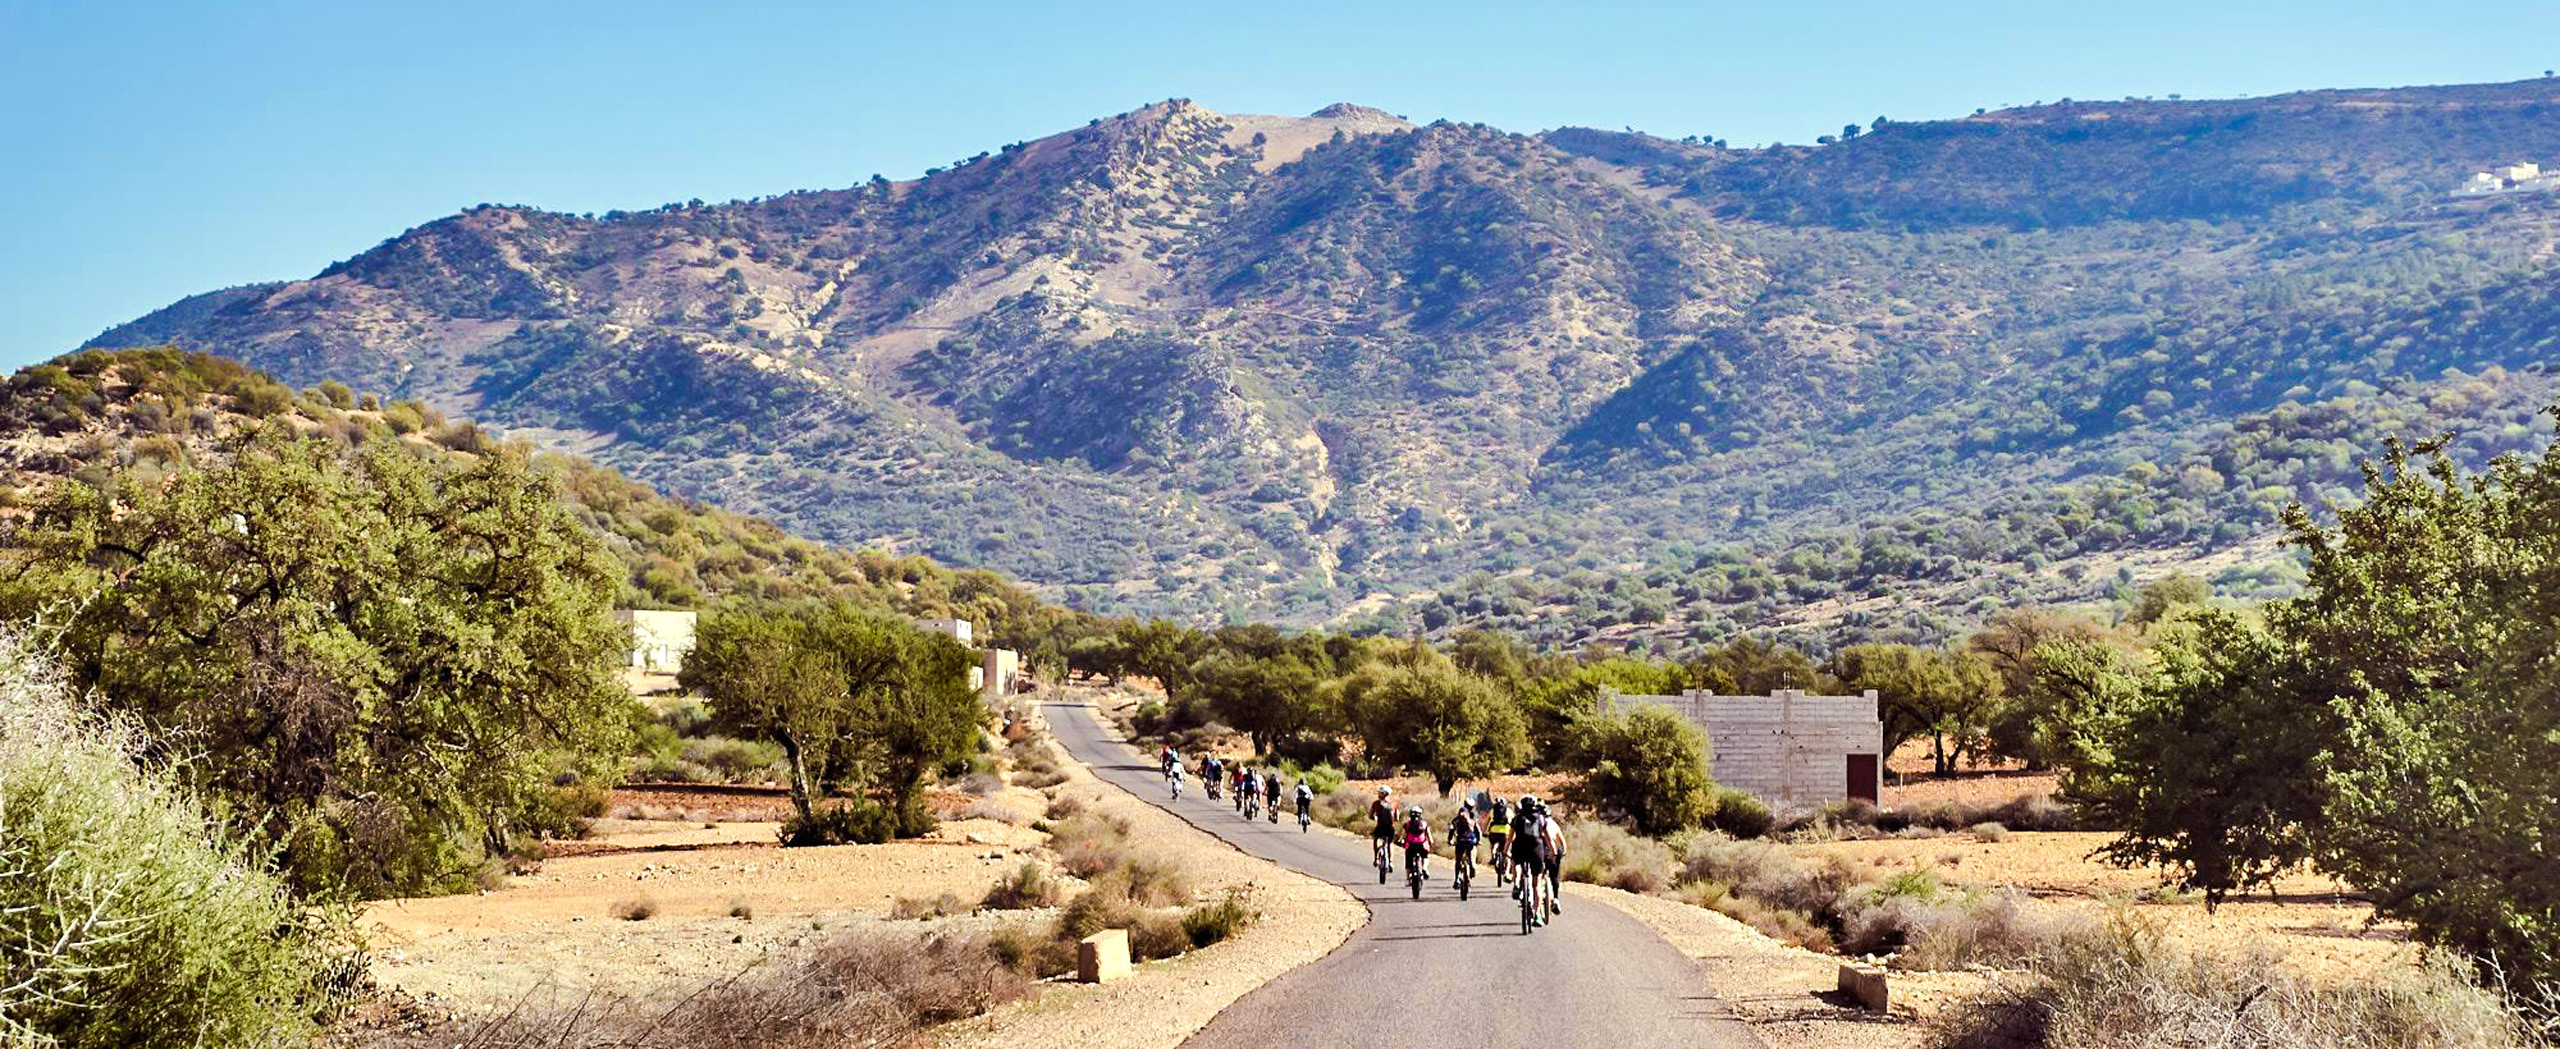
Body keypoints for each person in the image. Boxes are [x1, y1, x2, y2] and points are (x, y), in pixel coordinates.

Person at [1510, 796, 1549, 923]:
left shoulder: (1516, 819)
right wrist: (1553, 851)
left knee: (1516, 863)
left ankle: (1516, 884)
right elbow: (1546, 836)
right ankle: (1537, 914)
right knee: (1536, 884)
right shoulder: (1541, 818)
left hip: (1520, 849)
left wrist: (1505, 851)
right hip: (1536, 851)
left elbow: (1510, 837)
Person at [1448, 801, 1481, 883]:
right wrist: (1478, 840)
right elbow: (1478, 831)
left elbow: (1452, 830)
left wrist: (1450, 840)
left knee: (1458, 860)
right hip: (1471, 840)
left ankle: (1456, 879)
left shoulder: (1456, 820)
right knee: (1472, 852)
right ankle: (1472, 865)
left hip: (1460, 841)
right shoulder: (1473, 818)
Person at [1485, 796, 1513, 885]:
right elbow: (1513, 823)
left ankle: (1493, 857)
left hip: (1494, 832)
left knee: (1492, 843)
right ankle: (1507, 873)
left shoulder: (1492, 811)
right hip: (1506, 833)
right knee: (1506, 852)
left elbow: (1487, 822)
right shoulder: (1509, 811)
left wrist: (1484, 831)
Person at [1401, 805, 1433, 880]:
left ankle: (1408, 876)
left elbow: (1403, 835)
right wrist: (1431, 842)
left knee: (1408, 860)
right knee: (1425, 856)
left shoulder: (1407, 824)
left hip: (1411, 845)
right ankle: (1425, 868)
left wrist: (1402, 841)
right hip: (1422, 845)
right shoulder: (1424, 823)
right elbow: (1428, 834)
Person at [1369, 786, 1397, 870]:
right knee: (1390, 843)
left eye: (1380, 793)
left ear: (1383, 794)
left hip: (1380, 827)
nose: (1378, 794)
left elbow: (1370, 815)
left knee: (1376, 840)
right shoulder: (1394, 803)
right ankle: (1391, 862)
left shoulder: (1376, 803)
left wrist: (1374, 818)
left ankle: (1376, 859)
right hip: (1390, 828)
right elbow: (1397, 817)